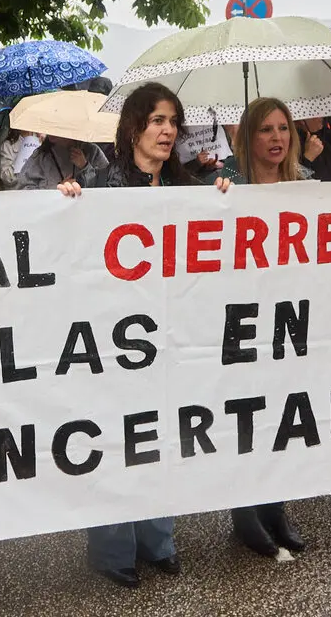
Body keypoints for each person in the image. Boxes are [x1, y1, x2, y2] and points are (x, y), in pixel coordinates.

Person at [56, 83, 231, 588]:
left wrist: (224, 200)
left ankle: (158, 540)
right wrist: (67, 205)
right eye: (157, 120)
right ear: (134, 127)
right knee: (116, 440)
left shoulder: (188, 188)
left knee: (161, 439)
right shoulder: (98, 186)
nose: (168, 130)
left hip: (169, 339)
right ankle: (112, 549)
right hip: (115, 339)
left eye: (173, 121)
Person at [202, 97, 310, 557]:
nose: (276, 137)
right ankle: (245, 512)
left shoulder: (308, 186)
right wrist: (219, 201)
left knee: (280, 417)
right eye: (265, 129)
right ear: (247, 137)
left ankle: (275, 507)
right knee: (246, 419)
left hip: (288, 322)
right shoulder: (227, 184)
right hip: (241, 323)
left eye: (283, 128)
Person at [17, 134, 108, 190]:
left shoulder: (92, 151)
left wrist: (85, 166)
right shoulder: (41, 155)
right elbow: (23, 189)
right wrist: (56, 189)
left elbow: (106, 185)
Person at [296, 116, 331, 181]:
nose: (322, 118)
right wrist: (307, 158)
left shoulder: (326, 141)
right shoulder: (292, 146)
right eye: (315, 115)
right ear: (302, 120)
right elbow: (296, 180)